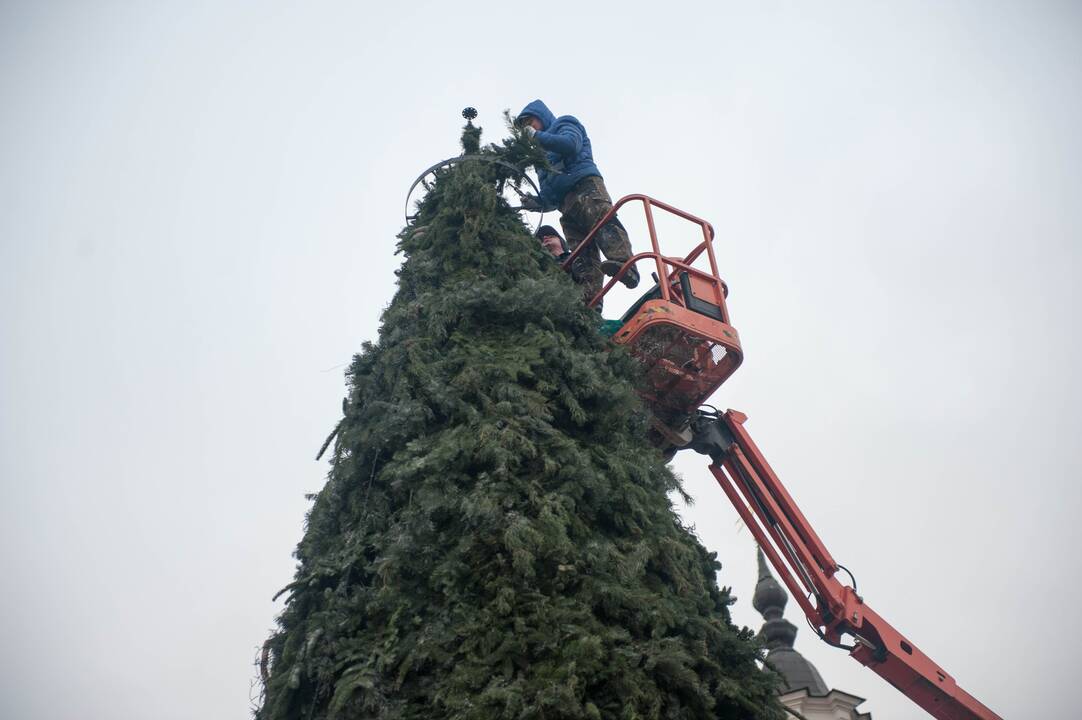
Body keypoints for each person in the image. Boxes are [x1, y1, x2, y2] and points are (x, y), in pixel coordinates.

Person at [516, 100, 640, 306]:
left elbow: (570, 145)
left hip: (584, 187)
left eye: (531, 121)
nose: (530, 127)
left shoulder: (564, 124)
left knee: (602, 222)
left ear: (541, 116)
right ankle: (590, 300)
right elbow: (550, 197)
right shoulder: (540, 157)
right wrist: (536, 202)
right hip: (566, 205)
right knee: (582, 251)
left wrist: (537, 137)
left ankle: (626, 266)